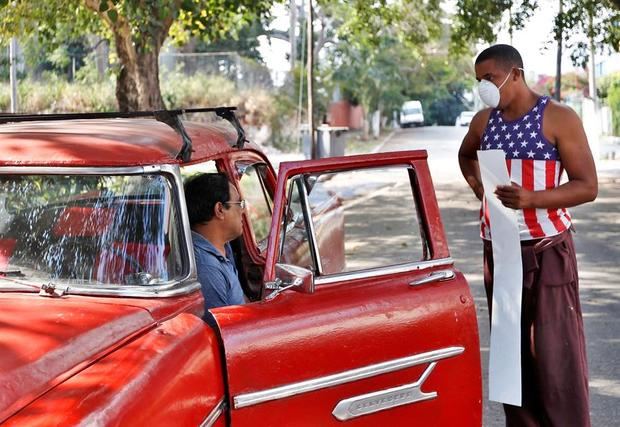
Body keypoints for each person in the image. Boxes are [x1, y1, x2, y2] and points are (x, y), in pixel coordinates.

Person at [458, 44, 598, 426]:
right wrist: (480, 189)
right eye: (479, 81)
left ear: (514, 74)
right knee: (511, 358)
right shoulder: (483, 122)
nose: (484, 87)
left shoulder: (559, 118)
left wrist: (532, 199)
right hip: (500, 255)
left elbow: (587, 186)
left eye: (489, 78)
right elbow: (466, 155)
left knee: (556, 357)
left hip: (547, 252)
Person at [184, 173, 246, 312]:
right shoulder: (206, 267)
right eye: (238, 204)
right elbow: (223, 329)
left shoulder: (222, 247)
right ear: (220, 210)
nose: (242, 210)